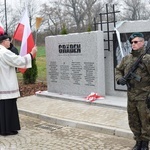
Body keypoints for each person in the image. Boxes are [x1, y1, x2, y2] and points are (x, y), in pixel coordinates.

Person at [115, 32, 150, 150]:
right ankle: (138, 142)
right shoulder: (127, 58)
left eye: (135, 42)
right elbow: (118, 69)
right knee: (133, 120)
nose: (133, 44)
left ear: (142, 42)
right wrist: (120, 79)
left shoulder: (147, 59)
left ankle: (145, 144)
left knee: (145, 121)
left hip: (144, 97)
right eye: (132, 42)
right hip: (131, 97)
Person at [0, 33, 37, 136]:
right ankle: (7, 129)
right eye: (8, 40)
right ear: (3, 42)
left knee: (3, 107)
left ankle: (4, 128)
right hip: (6, 83)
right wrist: (31, 54)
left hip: (2, 83)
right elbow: (18, 61)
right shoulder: (4, 52)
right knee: (8, 106)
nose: (10, 42)